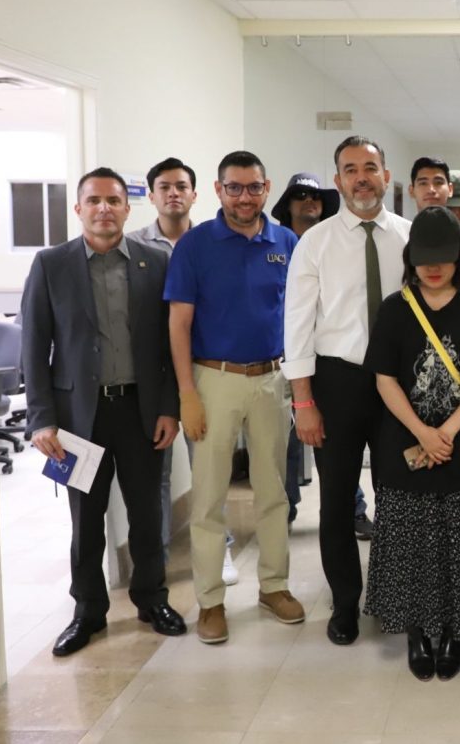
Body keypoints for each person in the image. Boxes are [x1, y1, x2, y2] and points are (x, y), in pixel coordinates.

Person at [21, 168, 185, 656]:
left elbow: (170, 346)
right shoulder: (51, 264)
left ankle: (152, 599)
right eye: (94, 200)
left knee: (147, 514)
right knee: (86, 520)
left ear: (127, 208)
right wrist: (40, 418)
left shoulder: (156, 263)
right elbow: (34, 346)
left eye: (113, 200)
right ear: (78, 209)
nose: (104, 209)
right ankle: (88, 611)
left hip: (141, 411)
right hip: (78, 419)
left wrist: (170, 408)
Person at [362, 208, 460, 681]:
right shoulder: (395, 308)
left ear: (458, 257)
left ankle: (452, 632)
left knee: (459, 539)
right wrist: (422, 431)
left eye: (443, 258)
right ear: (411, 258)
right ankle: (416, 632)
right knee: (410, 539)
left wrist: (447, 430)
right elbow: (384, 378)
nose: (433, 267)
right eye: (423, 258)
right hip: (404, 442)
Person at [165, 150, 303, 645]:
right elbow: (179, 323)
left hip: (271, 378)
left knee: (274, 491)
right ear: (219, 191)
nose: (245, 197)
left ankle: (274, 586)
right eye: (234, 187)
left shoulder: (286, 242)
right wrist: (187, 394)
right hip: (213, 380)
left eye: (254, 187)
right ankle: (210, 601)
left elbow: (299, 316)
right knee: (208, 497)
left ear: (267, 189)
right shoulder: (195, 245)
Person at [284, 135, 411, 646]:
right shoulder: (315, 242)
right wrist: (303, 401)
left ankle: (392, 595)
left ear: (386, 176)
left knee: (398, 496)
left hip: (398, 384)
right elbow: (297, 325)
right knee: (336, 499)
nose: (362, 178)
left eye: (370, 168)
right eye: (351, 169)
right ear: (338, 181)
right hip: (336, 381)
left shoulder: (409, 237)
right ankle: (344, 602)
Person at [127, 158, 239, 586]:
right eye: (164, 187)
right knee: (155, 472)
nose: (173, 193)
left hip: (202, 370)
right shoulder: (133, 247)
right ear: (151, 194)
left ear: (195, 194)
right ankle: (154, 560)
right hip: (151, 376)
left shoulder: (213, 242)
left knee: (209, 469)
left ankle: (220, 549)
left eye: (181, 186)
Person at [271, 171, 373, 540]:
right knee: (290, 444)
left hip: (335, 366)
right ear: (288, 205)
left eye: (314, 197)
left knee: (338, 452)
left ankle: (355, 509)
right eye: (300, 196)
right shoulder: (280, 245)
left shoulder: (337, 240)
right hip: (289, 360)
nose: (309, 202)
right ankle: (287, 508)